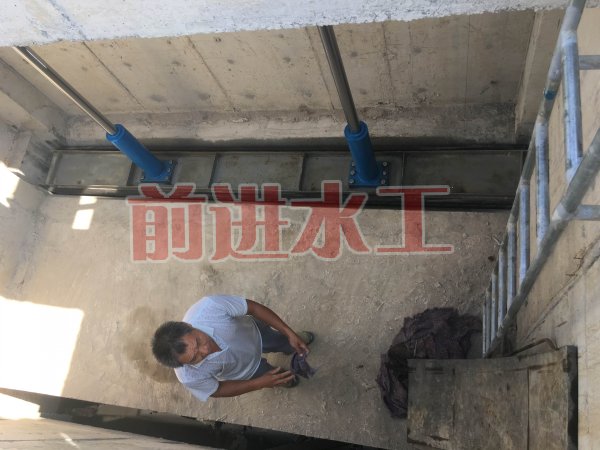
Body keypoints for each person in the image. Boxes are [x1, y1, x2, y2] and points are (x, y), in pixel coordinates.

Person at [151, 294, 314, 401]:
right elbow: (217, 390)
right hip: (248, 370)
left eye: (198, 341)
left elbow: (253, 308)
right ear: (183, 365)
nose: (205, 351)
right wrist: (260, 383)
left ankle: (291, 342)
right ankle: (285, 380)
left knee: (280, 341)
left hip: (256, 334)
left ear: (188, 325)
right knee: (275, 376)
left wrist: (288, 332)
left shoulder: (210, 307)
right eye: (195, 358)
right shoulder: (189, 377)